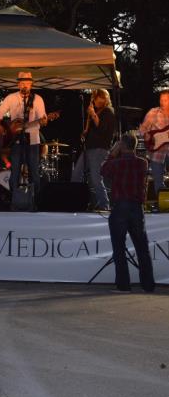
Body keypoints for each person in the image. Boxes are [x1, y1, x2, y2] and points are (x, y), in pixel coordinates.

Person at [100, 133, 155, 293]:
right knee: (142, 248)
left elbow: (103, 171)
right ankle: (148, 285)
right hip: (137, 208)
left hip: (120, 208)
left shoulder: (116, 163)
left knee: (119, 248)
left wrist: (112, 152)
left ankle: (124, 285)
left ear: (122, 145)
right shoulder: (143, 163)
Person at [0, 71, 46, 206]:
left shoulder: (38, 99)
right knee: (15, 170)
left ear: (31, 84)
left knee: (34, 170)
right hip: (15, 140)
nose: (25, 86)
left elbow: (43, 118)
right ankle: (13, 199)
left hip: (33, 139)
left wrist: (45, 120)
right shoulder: (11, 98)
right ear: (18, 84)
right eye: (22, 84)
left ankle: (36, 200)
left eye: (27, 84)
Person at [71, 89, 116, 209]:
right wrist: (85, 132)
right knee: (76, 174)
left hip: (99, 149)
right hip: (89, 148)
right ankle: (74, 201)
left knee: (96, 178)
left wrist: (93, 114)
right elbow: (90, 130)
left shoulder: (108, 112)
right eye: (94, 98)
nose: (95, 101)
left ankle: (104, 204)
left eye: (97, 98)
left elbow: (101, 128)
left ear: (103, 99)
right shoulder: (97, 112)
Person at [139, 90, 169, 197]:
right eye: (161, 99)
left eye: (165, 100)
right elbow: (142, 129)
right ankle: (161, 205)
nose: (162, 102)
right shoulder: (153, 112)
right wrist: (146, 135)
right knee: (158, 179)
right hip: (157, 152)